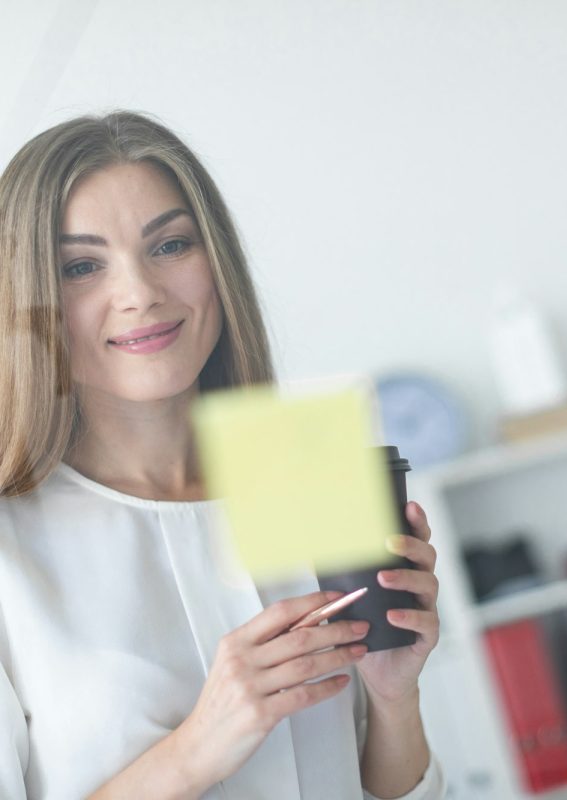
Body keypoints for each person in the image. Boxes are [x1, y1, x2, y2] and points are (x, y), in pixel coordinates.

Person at [0, 111, 445, 799]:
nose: (141, 294)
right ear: (28, 297)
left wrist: (393, 695)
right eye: (81, 266)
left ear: (218, 263)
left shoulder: (307, 476)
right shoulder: (11, 546)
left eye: (171, 245)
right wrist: (200, 745)